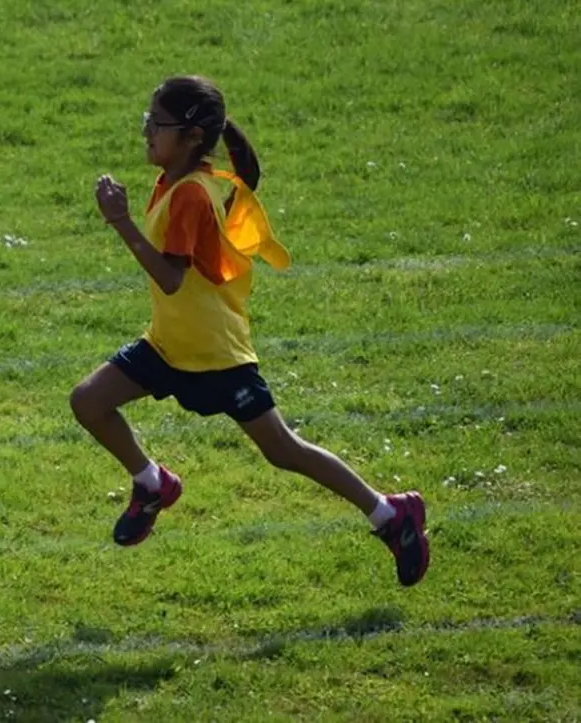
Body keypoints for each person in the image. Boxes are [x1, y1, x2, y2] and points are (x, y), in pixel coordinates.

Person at [72, 75, 429, 587]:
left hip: (217, 354)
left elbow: (172, 279)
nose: (147, 131)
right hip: (169, 345)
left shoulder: (192, 194)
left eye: (157, 123)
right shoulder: (171, 181)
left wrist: (119, 222)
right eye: (147, 120)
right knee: (88, 401)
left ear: (192, 136)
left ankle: (391, 515)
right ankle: (153, 484)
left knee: (283, 450)